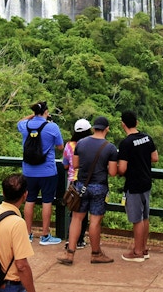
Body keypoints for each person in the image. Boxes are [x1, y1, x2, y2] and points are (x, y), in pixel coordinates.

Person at [58, 116, 118, 265]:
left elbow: (76, 164)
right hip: (99, 187)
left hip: (81, 186)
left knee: (76, 219)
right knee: (95, 222)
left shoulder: (81, 143)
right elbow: (112, 172)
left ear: (93, 128)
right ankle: (96, 253)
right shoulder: (110, 147)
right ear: (107, 129)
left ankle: (70, 254)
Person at [17, 101, 64, 245]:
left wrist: (34, 115)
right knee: (47, 201)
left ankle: (28, 233)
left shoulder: (25, 126)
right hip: (47, 171)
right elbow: (60, 147)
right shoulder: (52, 127)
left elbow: (20, 121)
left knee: (29, 200)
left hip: (29, 171)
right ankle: (45, 235)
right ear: (46, 112)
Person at [118, 111, 158, 262]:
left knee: (136, 219)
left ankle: (138, 251)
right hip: (146, 182)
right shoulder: (147, 137)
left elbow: (121, 169)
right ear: (137, 122)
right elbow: (155, 157)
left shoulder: (126, 143)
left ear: (123, 124)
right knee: (145, 216)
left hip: (133, 184)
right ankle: (144, 248)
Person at [0, 174, 36, 292]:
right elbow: (21, 265)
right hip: (10, 285)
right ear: (25, 195)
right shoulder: (17, 223)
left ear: (3, 193)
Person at [62, 118, 92, 249]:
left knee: (74, 210)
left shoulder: (69, 145)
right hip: (86, 180)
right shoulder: (90, 145)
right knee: (84, 211)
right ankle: (79, 239)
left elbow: (65, 165)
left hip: (72, 181)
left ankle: (71, 239)